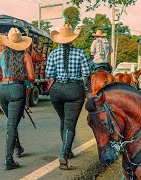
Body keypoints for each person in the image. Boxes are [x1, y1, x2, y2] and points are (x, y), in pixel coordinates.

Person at [46, 24, 91, 169]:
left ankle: (67, 150)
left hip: (56, 90)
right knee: (70, 123)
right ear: (72, 39)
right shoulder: (80, 53)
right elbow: (86, 74)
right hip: (74, 89)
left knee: (63, 120)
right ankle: (64, 154)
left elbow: (49, 74)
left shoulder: (53, 54)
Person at [0, 27, 34, 170]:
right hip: (17, 89)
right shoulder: (25, 56)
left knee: (11, 123)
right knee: (12, 125)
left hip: (2, 90)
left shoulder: (0, 55)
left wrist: (5, 77)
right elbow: (32, 78)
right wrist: (20, 77)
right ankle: (8, 160)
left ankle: (18, 148)